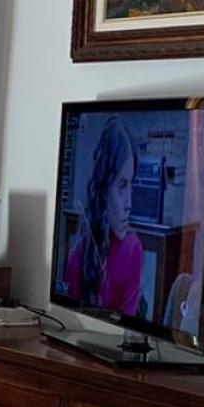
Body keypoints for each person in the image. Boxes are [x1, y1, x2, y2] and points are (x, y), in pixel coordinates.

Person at [64, 117, 145, 316]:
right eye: (122, 186)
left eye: (131, 184)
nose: (129, 203)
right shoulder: (78, 256)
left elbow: (128, 320)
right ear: (103, 189)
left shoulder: (132, 248)